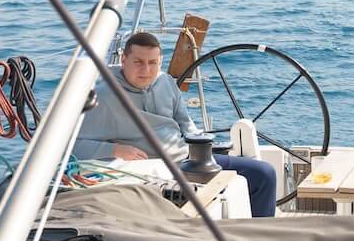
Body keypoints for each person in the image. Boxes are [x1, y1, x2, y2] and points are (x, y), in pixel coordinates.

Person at [73, 31, 279, 218]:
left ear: (160, 62)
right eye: (138, 62)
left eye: (153, 63)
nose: (146, 70)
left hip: (189, 161)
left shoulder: (166, 83)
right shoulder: (104, 96)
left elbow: (186, 126)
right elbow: (71, 147)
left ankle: (259, 238)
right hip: (155, 172)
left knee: (263, 174)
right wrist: (116, 149)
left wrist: (204, 146)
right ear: (124, 60)